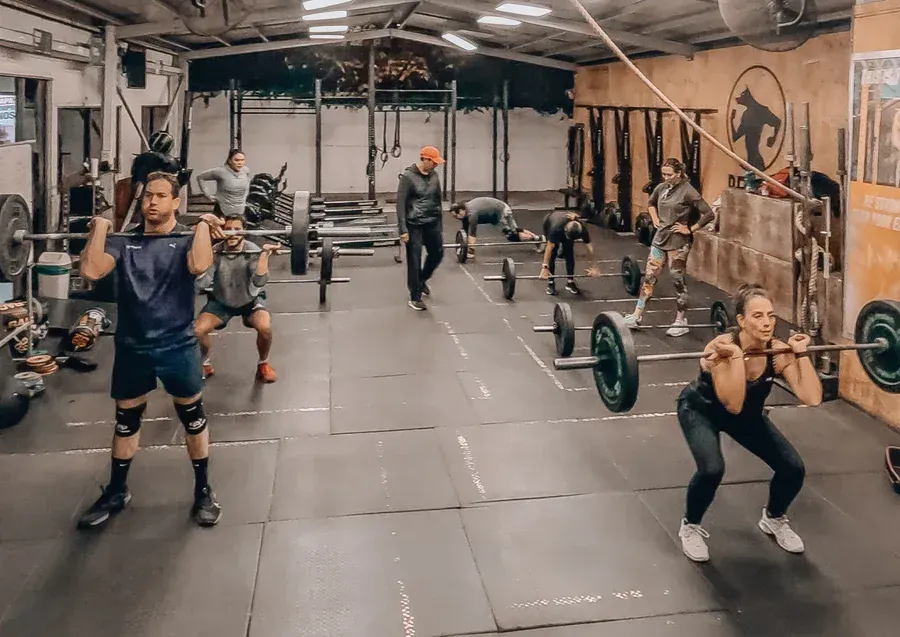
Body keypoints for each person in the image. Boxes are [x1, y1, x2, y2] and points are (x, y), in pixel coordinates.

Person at [77, 171, 226, 530]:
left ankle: (203, 490)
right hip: (132, 347)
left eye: (161, 196)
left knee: (192, 417)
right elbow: (92, 269)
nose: (152, 202)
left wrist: (203, 225)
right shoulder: (121, 241)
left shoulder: (186, 239)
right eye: (147, 196)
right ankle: (116, 490)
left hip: (177, 344)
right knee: (126, 421)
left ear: (176, 202)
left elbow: (200, 265)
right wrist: (100, 227)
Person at [675, 284, 821, 563]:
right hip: (700, 410)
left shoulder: (777, 351)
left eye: (770, 315)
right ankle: (690, 526)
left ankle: (774, 518)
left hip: (747, 416)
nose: (767, 323)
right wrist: (738, 357)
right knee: (712, 469)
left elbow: (812, 397)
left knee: (793, 468)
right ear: (741, 321)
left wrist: (801, 354)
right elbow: (733, 403)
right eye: (757, 316)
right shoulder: (718, 349)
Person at [624, 158, 715, 336]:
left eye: (669, 174)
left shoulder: (688, 191)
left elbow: (709, 214)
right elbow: (651, 203)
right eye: (663, 174)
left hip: (678, 243)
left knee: (677, 281)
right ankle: (637, 315)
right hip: (659, 240)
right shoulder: (662, 188)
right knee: (649, 277)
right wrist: (655, 219)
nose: (666, 177)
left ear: (679, 173)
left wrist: (689, 229)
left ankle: (681, 321)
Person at [195, 216, 279, 383]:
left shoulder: (252, 250)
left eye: (237, 229)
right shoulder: (215, 252)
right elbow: (202, 284)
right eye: (228, 229)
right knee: (197, 331)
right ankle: (205, 363)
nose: (232, 234)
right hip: (222, 301)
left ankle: (263, 364)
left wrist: (264, 255)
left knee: (265, 328)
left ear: (244, 232)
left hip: (250, 300)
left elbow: (259, 282)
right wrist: (198, 261)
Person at [397, 145, 445, 311]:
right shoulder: (408, 177)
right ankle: (415, 296)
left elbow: (438, 201)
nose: (436, 165)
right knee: (415, 260)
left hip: (432, 223)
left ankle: (422, 279)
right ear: (425, 159)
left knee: (438, 254)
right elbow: (400, 204)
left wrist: (440, 225)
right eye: (433, 162)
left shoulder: (435, 176)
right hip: (414, 225)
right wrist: (403, 229)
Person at [450, 197, 542, 261]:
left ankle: (538, 239)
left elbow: (472, 235)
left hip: (502, 211)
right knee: (515, 230)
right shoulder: (466, 211)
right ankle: (537, 238)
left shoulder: (472, 214)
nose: (456, 218)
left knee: (513, 235)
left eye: (456, 215)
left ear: (461, 211)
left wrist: (470, 252)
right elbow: (465, 232)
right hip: (496, 213)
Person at [538, 210, 601, 296]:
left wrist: (594, 267)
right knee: (553, 252)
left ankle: (570, 282)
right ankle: (551, 282)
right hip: (549, 222)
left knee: (569, 252)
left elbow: (590, 248)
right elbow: (549, 248)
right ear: (565, 230)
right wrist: (544, 267)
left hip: (565, 228)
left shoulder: (582, 229)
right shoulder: (556, 229)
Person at [196, 149, 251, 218]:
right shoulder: (220, 172)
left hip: (240, 209)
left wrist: (245, 196)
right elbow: (201, 177)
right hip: (223, 209)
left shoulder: (246, 170)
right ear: (230, 161)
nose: (240, 163)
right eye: (236, 160)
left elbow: (247, 182)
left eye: (242, 160)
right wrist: (208, 195)